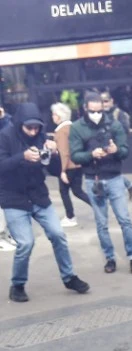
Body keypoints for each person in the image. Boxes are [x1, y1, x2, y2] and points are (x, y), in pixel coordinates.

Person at [0, 102, 90, 302]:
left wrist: (55, 154)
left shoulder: (41, 136)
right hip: (14, 198)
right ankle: (17, 285)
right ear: (20, 123)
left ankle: (69, 277)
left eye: (36, 127)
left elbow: (52, 170)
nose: (33, 132)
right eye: (29, 127)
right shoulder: (5, 137)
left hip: (39, 196)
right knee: (26, 243)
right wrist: (22, 157)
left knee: (58, 234)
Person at [70, 91, 132, 274]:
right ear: (86, 109)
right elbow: (75, 155)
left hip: (114, 177)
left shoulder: (114, 124)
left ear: (104, 108)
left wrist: (116, 150)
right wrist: (91, 155)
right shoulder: (78, 127)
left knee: (124, 219)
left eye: (99, 111)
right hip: (93, 179)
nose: (96, 114)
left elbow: (125, 151)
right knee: (101, 223)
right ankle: (109, 258)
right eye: (92, 111)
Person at [51, 102, 91, 229]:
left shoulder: (61, 131)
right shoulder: (73, 127)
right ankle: (98, 206)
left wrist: (62, 171)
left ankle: (70, 216)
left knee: (64, 191)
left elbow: (64, 152)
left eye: (54, 114)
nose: (52, 116)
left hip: (68, 166)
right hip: (78, 164)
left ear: (59, 116)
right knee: (77, 191)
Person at [100, 90, 132, 201]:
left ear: (111, 101)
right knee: (107, 171)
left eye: (106, 101)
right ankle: (129, 185)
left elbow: (125, 130)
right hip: (104, 146)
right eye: (102, 102)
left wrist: (118, 146)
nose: (104, 104)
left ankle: (120, 191)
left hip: (116, 147)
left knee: (112, 172)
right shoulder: (100, 114)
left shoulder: (119, 114)